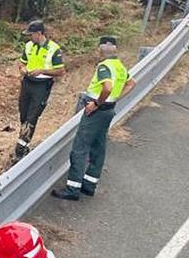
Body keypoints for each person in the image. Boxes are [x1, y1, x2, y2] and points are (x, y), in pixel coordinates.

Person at [52, 36, 137, 200]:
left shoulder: (104, 66)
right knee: (98, 147)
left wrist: (97, 104)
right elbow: (132, 83)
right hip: (109, 110)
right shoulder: (119, 66)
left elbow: (107, 87)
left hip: (96, 111)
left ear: (100, 49)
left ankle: (72, 189)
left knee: (80, 148)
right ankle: (89, 185)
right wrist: (115, 98)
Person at [13, 20, 66, 163]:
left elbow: (60, 71)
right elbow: (22, 62)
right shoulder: (29, 46)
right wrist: (22, 69)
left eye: (32, 35)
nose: (30, 38)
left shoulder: (53, 49)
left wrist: (42, 71)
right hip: (27, 83)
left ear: (39, 33)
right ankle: (24, 142)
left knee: (32, 117)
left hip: (42, 86)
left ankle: (20, 150)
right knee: (23, 115)